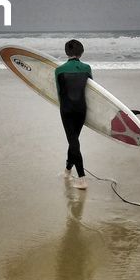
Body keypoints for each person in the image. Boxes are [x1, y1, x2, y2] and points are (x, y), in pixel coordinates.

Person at [54, 39, 92, 189]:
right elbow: (92, 91)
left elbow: (59, 92)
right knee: (74, 140)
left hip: (67, 110)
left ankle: (82, 178)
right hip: (82, 109)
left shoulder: (59, 70)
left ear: (66, 52)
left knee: (73, 141)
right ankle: (67, 171)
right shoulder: (87, 68)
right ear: (81, 52)